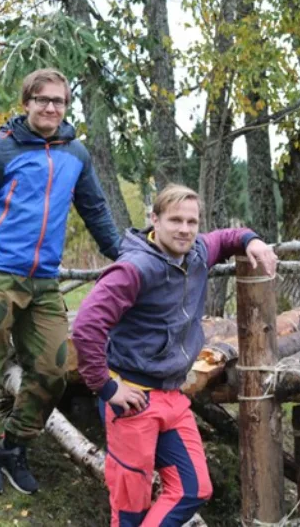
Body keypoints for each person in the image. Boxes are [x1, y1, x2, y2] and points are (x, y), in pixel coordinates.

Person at [0, 68, 121, 496]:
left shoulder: (75, 154)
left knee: (52, 369)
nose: (50, 107)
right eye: (42, 99)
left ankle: (14, 445)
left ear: (66, 106)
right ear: (26, 102)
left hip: (44, 280)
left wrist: (124, 257)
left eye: (59, 101)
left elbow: (96, 209)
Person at [71, 183, 278, 527]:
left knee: (192, 488)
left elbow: (226, 237)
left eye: (192, 221)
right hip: (130, 399)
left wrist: (251, 240)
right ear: (155, 219)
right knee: (130, 511)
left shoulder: (196, 253)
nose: (184, 229)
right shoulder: (134, 268)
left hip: (172, 396)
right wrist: (106, 388)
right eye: (175, 220)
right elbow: (86, 326)